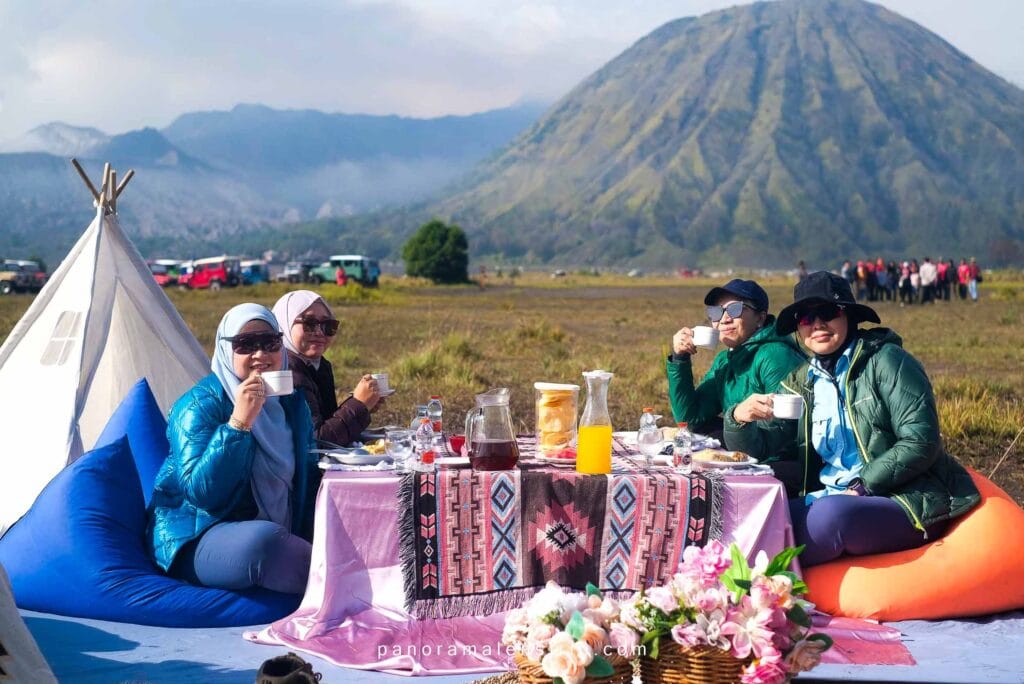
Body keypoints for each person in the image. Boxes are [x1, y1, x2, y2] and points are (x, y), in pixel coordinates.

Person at [724, 272, 980, 567]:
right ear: (798, 328)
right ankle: (735, 581)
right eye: (806, 318)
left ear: (849, 316)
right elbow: (760, 447)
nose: (817, 324)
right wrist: (738, 418)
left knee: (830, 517)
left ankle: (751, 582)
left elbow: (920, 441)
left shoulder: (887, 361)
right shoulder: (801, 382)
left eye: (827, 312)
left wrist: (861, 487)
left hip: (904, 500)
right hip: (831, 497)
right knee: (748, 515)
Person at [147, 304, 318, 594]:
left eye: (270, 343)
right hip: (199, 532)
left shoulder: (292, 404)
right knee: (265, 545)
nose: (261, 355)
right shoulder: (198, 405)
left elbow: (308, 478)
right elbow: (203, 493)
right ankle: (345, 584)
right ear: (226, 350)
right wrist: (239, 423)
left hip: (279, 527)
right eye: (246, 345)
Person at [667, 279, 806, 438]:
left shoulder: (775, 355)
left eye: (735, 309)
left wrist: (733, 427)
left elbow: (785, 433)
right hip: (749, 443)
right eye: (716, 312)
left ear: (760, 318)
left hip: (779, 457)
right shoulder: (725, 360)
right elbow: (689, 419)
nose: (724, 319)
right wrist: (680, 358)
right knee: (697, 431)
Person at [272, 291, 382, 447]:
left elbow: (325, 421)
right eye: (309, 323)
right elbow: (318, 442)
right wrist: (358, 405)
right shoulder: (287, 374)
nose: (319, 332)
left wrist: (364, 406)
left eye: (328, 326)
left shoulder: (317, 365)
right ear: (283, 324)